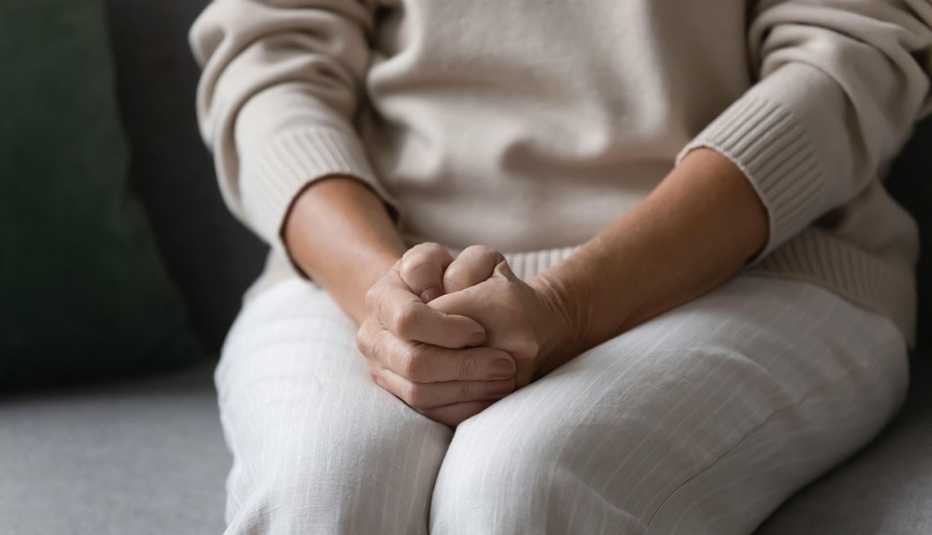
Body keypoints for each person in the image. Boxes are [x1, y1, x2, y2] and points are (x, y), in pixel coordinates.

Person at [189, 1, 932, 533]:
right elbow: (268, 54)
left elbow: (850, 48)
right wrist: (386, 301)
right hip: (360, 259)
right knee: (323, 491)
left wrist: (568, 305)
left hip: (752, 261)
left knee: (521, 486)